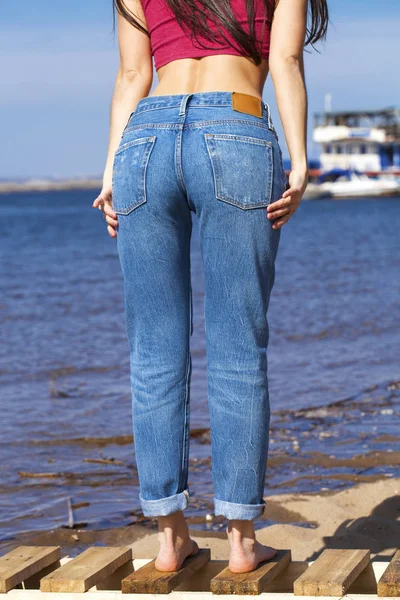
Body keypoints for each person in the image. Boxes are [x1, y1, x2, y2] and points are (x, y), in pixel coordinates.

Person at [92, 0, 329, 574]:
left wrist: (109, 170)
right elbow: (287, 59)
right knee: (238, 347)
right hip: (236, 131)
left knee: (153, 350)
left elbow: (131, 76)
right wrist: (299, 161)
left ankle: (171, 539)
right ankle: (242, 542)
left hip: (143, 141)